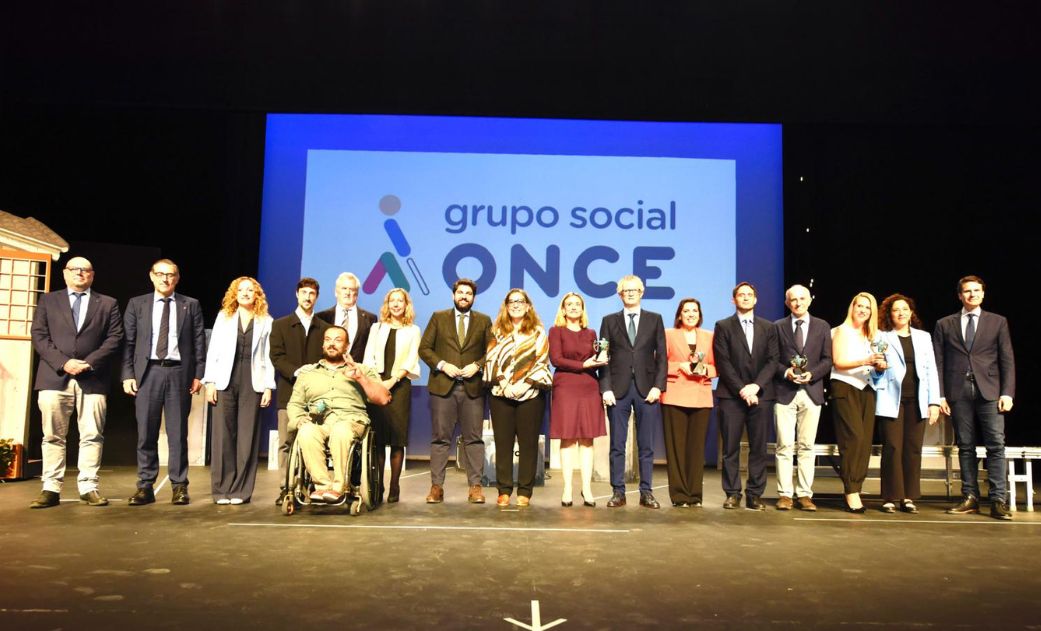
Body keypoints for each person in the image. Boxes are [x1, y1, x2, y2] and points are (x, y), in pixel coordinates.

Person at [29, 256, 124, 508]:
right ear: (65, 273)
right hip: (54, 377)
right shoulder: (49, 300)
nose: (80, 273)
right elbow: (39, 335)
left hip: (92, 378)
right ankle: (50, 487)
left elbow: (115, 338)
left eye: (85, 270)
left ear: (92, 275)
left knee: (92, 434)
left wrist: (88, 362)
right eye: (75, 269)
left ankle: (89, 486)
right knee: (52, 435)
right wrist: (64, 363)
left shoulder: (108, 303)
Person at [121, 259, 207, 506]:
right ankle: (145, 486)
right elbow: (128, 343)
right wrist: (128, 374)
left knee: (178, 432)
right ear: (151, 276)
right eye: (160, 274)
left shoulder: (190, 305)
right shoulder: (138, 304)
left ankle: (179, 485)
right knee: (146, 433)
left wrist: (199, 374)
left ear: (177, 278)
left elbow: (199, 342)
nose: (165, 279)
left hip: (179, 372)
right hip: (148, 373)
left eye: (170, 275)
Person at [933, 275, 1016, 520]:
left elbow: (1007, 360)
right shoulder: (944, 324)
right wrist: (940, 395)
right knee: (965, 446)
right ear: (960, 295)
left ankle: (998, 500)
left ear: (983, 294)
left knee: (995, 446)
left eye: (977, 290)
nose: (972, 295)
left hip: (989, 391)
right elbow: (938, 362)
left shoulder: (997, 322)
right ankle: (970, 496)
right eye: (967, 291)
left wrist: (1007, 392)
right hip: (958, 392)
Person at [287, 326, 391, 503]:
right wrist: (298, 419)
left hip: (351, 421)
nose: (331, 344)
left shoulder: (361, 369)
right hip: (320, 423)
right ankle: (322, 487)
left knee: (341, 430)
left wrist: (360, 378)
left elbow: (383, 399)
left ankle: (339, 487)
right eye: (328, 339)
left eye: (337, 340)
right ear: (323, 344)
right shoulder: (308, 373)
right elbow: (295, 404)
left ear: (346, 346)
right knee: (306, 431)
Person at [418, 278, 494, 504]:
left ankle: (475, 487)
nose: (464, 297)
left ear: (473, 298)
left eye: (468, 294)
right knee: (440, 439)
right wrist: (442, 365)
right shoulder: (438, 317)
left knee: (474, 439)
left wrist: (478, 366)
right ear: (453, 296)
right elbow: (424, 348)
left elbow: (492, 351)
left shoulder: (483, 320)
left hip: (473, 389)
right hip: (443, 387)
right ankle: (436, 487)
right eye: (460, 293)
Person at [202, 276, 276, 504]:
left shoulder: (266, 320)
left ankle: (241, 491)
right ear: (235, 293)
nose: (245, 293)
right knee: (223, 435)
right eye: (241, 290)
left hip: (252, 380)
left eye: (250, 290)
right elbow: (213, 351)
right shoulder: (224, 317)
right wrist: (210, 382)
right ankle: (221, 489)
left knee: (247, 436)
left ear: (257, 295)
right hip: (225, 379)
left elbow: (268, 356)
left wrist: (268, 386)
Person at [598, 275, 667, 509]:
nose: (630, 293)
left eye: (634, 290)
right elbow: (603, 358)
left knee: (646, 445)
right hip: (617, 391)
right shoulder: (608, 321)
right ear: (619, 294)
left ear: (642, 292)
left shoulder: (655, 319)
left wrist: (658, 386)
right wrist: (605, 387)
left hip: (647, 390)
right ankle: (618, 492)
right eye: (625, 290)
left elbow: (662, 357)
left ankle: (646, 492)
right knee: (617, 444)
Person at [713, 282, 777, 511]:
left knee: (758, 447)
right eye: (741, 295)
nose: (746, 298)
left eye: (750, 295)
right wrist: (742, 389)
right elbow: (723, 362)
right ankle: (732, 493)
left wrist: (756, 387)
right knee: (730, 447)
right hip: (731, 395)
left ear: (756, 300)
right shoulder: (723, 326)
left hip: (761, 395)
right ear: (734, 300)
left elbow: (772, 361)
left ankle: (754, 494)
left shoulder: (769, 327)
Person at [485, 289, 552, 507]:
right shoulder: (496, 331)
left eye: (520, 301)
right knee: (503, 444)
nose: (515, 305)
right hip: (501, 394)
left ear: (528, 306)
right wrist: (505, 383)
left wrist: (523, 385)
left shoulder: (538, 332)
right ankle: (504, 490)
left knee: (528, 444)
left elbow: (541, 361)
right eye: (511, 302)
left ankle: (525, 491)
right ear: (505, 306)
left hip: (530, 395)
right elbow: (491, 360)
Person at [875, 293, 941, 514]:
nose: (901, 313)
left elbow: (931, 370)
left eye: (905, 309)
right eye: (896, 310)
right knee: (892, 447)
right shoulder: (882, 337)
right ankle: (890, 496)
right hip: (890, 398)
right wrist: (877, 370)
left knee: (913, 449)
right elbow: (875, 372)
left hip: (918, 399)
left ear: (911, 312)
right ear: (889, 315)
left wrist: (934, 402)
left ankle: (908, 496)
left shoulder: (923, 337)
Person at [773, 284, 832, 511]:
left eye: (802, 299)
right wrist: (786, 372)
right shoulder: (778, 327)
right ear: (787, 303)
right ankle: (785, 494)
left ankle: (805, 494)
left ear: (809, 301)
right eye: (793, 300)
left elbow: (827, 359)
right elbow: (772, 359)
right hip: (784, 392)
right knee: (784, 446)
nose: (798, 303)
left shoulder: (822, 326)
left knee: (807, 446)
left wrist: (812, 374)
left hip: (812, 391)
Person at [270, 277, 329, 505]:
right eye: (304, 292)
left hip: (317, 397)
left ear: (317, 297)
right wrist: (296, 372)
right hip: (289, 393)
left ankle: (311, 486)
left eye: (312, 293)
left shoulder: (324, 328)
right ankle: (286, 488)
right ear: (297, 294)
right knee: (287, 442)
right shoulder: (281, 325)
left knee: (314, 441)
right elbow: (276, 356)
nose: (307, 297)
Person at [362, 287, 421, 503]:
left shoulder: (413, 330)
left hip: (399, 386)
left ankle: (394, 486)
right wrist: (376, 382)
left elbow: (411, 360)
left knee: (397, 440)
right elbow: (368, 356)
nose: (396, 304)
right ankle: (378, 484)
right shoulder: (377, 328)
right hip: (376, 384)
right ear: (387, 305)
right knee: (378, 438)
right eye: (392, 301)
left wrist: (392, 380)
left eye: (400, 301)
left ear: (406, 305)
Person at [548, 292, 607, 507]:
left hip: (590, 387)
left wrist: (601, 361)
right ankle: (566, 488)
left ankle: (587, 488)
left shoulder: (591, 332)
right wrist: (583, 365)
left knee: (587, 438)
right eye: (569, 304)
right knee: (568, 437)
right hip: (566, 387)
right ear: (563, 310)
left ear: (582, 309)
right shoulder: (556, 331)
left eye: (577, 304)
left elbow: (598, 358)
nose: (573, 307)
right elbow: (556, 359)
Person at [829, 292, 886, 513]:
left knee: (864, 443)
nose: (862, 310)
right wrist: (866, 360)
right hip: (845, 387)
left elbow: (876, 365)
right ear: (851, 307)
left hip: (867, 389)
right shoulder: (841, 331)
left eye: (867, 307)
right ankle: (850, 490)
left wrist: (880, 366)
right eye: (859, 305)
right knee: (853, 439)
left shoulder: (874, 335)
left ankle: (856, 487)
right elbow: (839, 362)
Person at [660, 297, 717, 508]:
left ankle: (695, 495)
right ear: (679, 314)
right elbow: (659, 364)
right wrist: (679, 366)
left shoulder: (709, 336)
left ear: (699, 314)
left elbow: (715, 367)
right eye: (686, 311)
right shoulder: (669, 334)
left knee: (696, 449)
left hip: (701, 397)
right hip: (674, 395)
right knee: (676, 450)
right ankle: (679, 496)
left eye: (694, 310)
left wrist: (705, 370)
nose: (691, 314)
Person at [316, 272, 377, 362]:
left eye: (352, 289)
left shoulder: (370, 319)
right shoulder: (321, 317)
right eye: (344, 288)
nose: (347, 293)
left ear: (357, 294)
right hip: (329, 371)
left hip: (357, 371)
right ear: (336, 292)